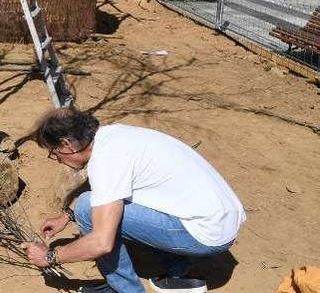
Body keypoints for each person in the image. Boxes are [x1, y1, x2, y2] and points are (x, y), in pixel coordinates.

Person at [23, 108, 245, 293]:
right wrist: (66, 216)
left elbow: (102, 243)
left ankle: (125, 290)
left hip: (206, 234)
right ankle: (178, 267)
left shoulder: (105, 160)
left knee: (87, 208)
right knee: (91, 206)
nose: (58, 160)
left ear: (66, 145)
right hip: (220, 221)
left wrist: (50, 256)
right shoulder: (112, 136)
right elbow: (107, 187)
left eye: (54, 153)